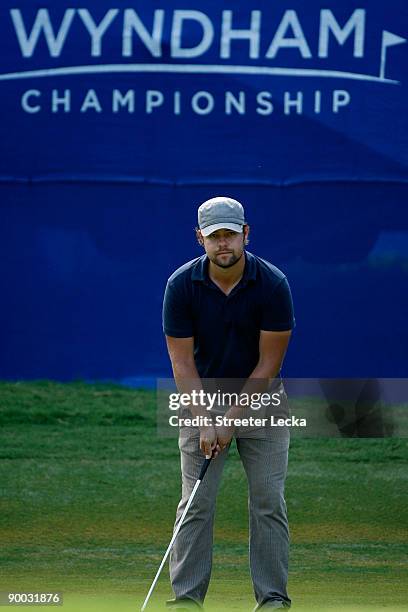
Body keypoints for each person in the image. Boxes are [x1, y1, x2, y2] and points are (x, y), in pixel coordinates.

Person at [162, 196, 295, 610]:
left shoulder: (273, 284)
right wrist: (205, 419)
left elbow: (269, 363)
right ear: (200, 238)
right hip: (201, 396)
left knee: (268, 500)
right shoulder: (181, 285)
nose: (224, 244)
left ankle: (273, 599)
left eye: (231, 235)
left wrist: (231, 418)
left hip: (263, 403)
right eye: (215, 236)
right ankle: (186, 599)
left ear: (246, 234)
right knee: (196, 501)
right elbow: (182, 363)